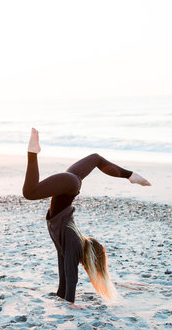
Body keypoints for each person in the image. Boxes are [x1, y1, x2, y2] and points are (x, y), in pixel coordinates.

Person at [22, 128, 151, 308]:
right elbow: (71, 274)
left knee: (96, 158)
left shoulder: (68, 244)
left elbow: (64, 275)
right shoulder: (74, 243)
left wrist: (62, 297)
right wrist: (70, 302)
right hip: (68, 185)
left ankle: (131, 176)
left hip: (70, 183)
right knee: (30, 193)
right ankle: (33, 152)